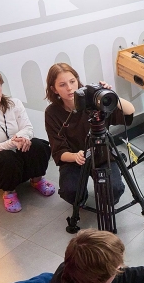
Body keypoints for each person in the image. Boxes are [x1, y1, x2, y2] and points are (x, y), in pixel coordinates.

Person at [0, 65, 54, 213]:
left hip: (20, 155)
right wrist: (14, 142)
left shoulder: (14, 103)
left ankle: (37, 180)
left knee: (38, 145)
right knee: (5, 157)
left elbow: (28, 128)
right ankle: (9, 192)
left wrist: (22, 138)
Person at [44, 63, 133, 206]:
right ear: (54, 89)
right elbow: (58, 151)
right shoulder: (52, 113)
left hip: (102, 155)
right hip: (75, 160)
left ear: (77, 80)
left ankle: (105, 193)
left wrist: (110, 94)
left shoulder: (94, 102)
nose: (69, 88)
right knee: (71, 193)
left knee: (113, 191)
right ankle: (81, 198)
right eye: (62, 85)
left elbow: (129, 111)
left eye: (72, 81)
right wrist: (74, 156)